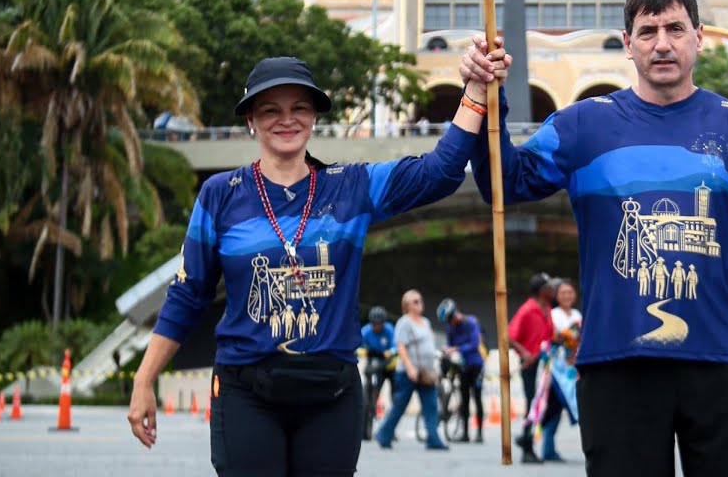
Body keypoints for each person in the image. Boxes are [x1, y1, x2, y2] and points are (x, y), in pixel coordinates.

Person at [462, 0, 728, 477]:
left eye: (675, 29)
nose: (662, 43)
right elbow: (503, 184)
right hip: (617, 366)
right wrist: (489, 99)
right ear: (627, 43)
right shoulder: (581, 125)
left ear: (698, 38)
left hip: (723, 364)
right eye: (648, 31)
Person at [127, 51, 506, 476]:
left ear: (313, 118)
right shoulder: (220, 195)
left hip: (332, 394)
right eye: (270, 110)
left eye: (299, 108)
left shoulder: (351, 187)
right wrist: (144, 380)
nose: (286, 119)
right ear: (250, 119)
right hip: (245, 392)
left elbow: (441, 172)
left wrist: (474, 89)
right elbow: (188, 294)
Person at [374, 290, 447, 450]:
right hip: (409, 372)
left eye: (420, 300)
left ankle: (433, 438)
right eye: (415, 301)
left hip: (426, 372)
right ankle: (383, 434)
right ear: (407, 305)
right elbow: (401, 347)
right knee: (400, 404)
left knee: (431, 405)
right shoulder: (404, 322)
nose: (419, 303)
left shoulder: (425, 322)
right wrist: (410, 369)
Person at [506, 272, 556, 463]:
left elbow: (549, 336)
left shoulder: (548, 309)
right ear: (541, 290)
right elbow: (509, 336)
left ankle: (525, 439)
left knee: (550, 404)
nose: (552, 290)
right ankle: (528, 448)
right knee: (533, 404)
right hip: (530, 364)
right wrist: (525, 352)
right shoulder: (527, 309)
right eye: (549, 287)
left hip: (544, 364)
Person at [539, 278, 584, 462]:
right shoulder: (553, 314)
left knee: (561, 407)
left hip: (571, 367)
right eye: (563, 293)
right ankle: (547, 448)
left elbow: (580, 338)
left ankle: (548, 447)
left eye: (570, 292)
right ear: (557, 296)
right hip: (555, 368)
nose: (567, 296)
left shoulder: (578, 315)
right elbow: (550, 337)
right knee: (552, 406)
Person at [438, 297, 485, 443]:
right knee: (464, 399)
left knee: (477, 397)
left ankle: (479, 432)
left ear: (455, 314)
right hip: (462, 366)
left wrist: (457, 348)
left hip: (476, 365)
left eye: (450, 319)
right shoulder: (450, 327)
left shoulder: (470, 322)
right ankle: (465, 433)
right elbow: (450, 344)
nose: (450, 323)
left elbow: (474, 343)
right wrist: (447, 350)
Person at [360, 305, 396, 440]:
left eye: (379, 324)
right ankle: (370, 409)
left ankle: (392, 428)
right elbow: (357, 347)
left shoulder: (389, 329)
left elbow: (395, 346)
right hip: (375, 365)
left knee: (395, 395)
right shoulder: (366, 331)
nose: (377, 327)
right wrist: (366, 352)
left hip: (389, 365)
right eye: (374, 324)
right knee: (373, 392)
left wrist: (389, 353)